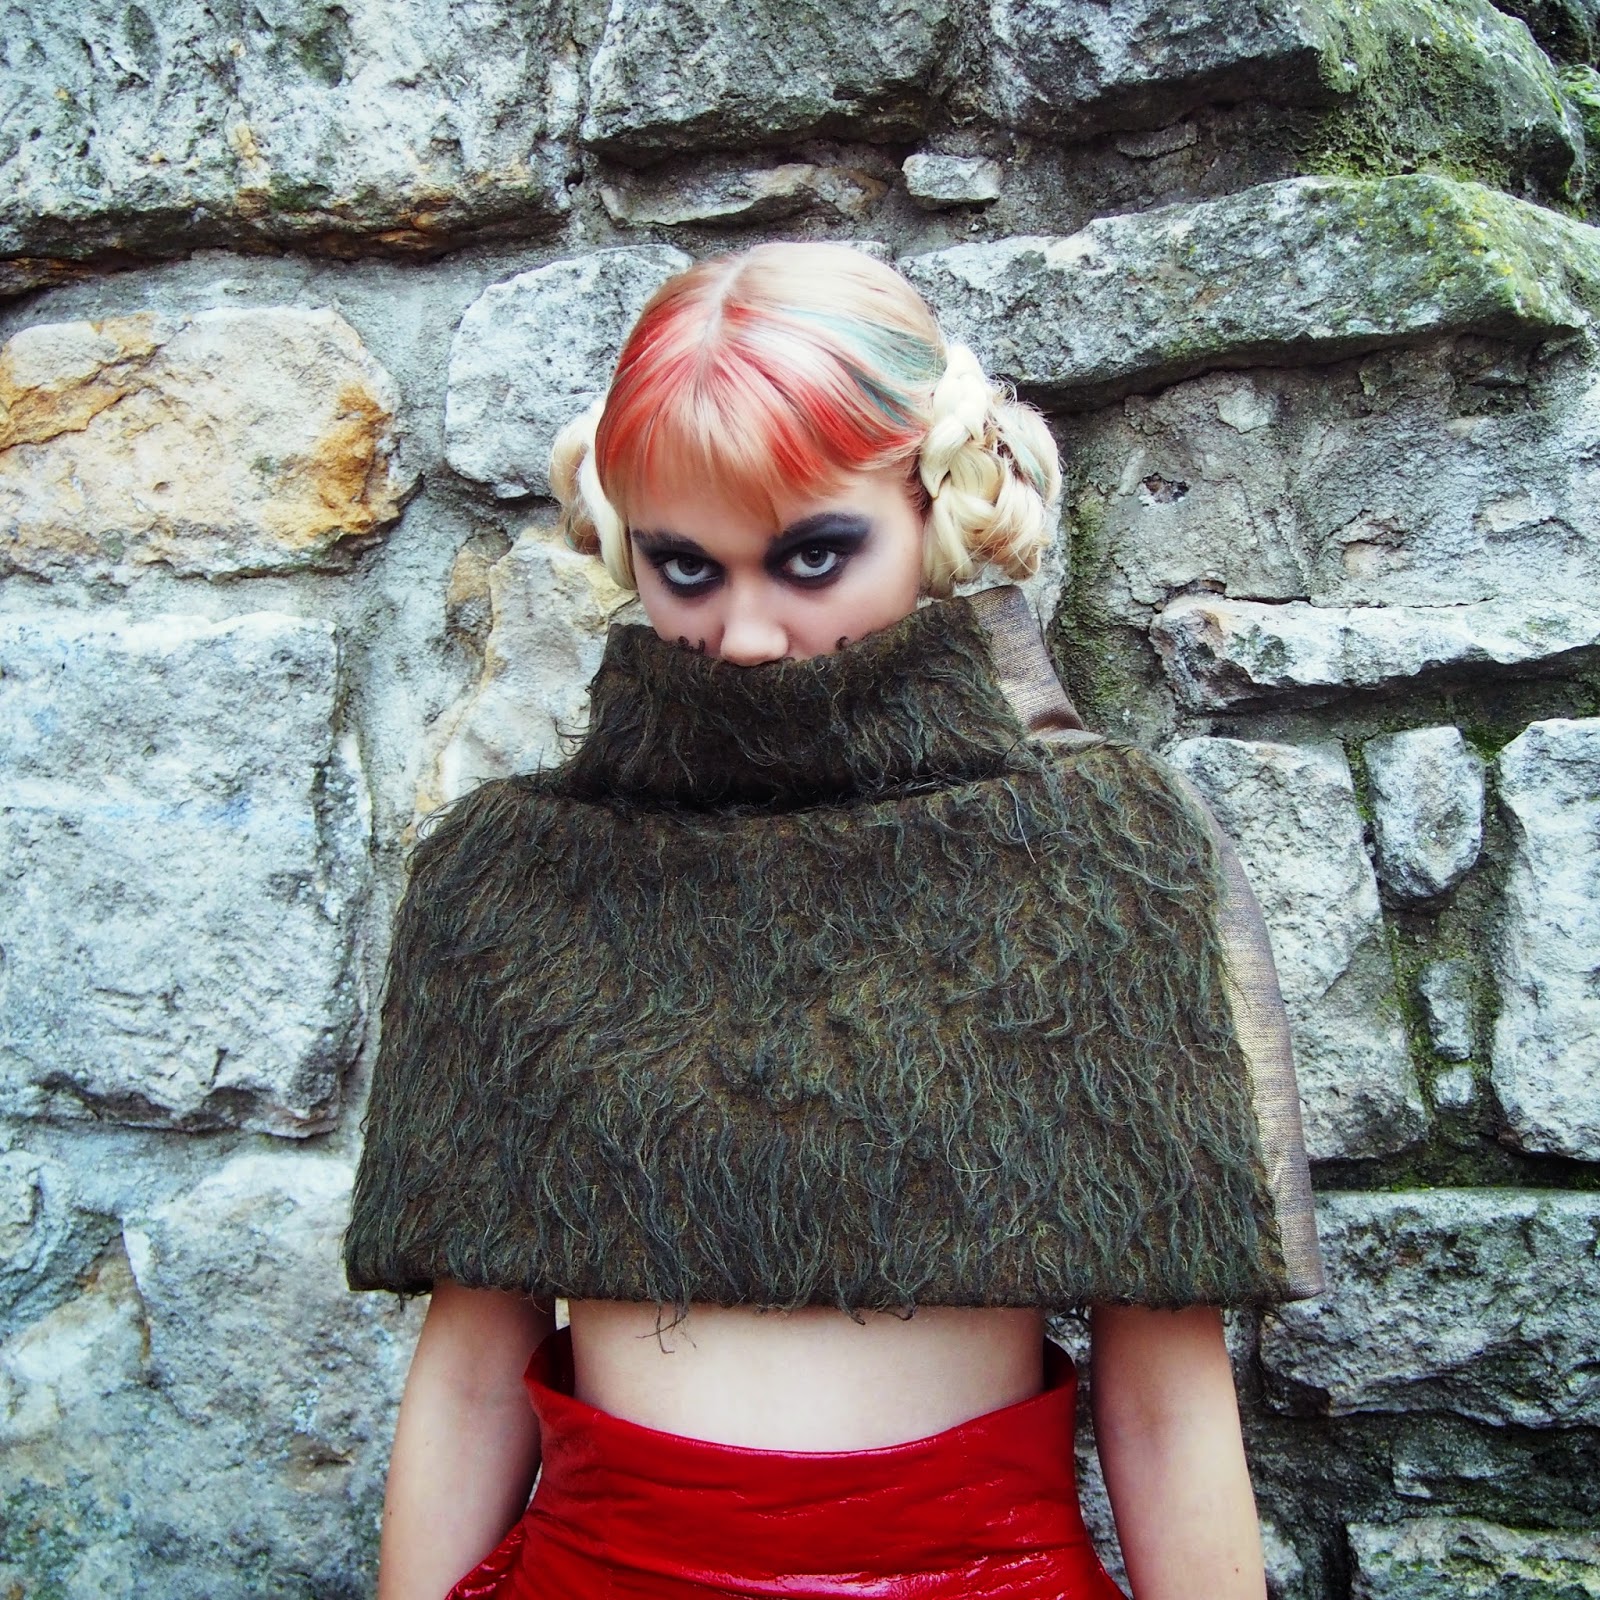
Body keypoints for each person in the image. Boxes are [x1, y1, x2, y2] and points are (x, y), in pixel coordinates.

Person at [345, 241, 1323, 1600]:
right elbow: (467, 1376)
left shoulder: (1108, 858)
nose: (746, 632)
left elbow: (1163, 1405)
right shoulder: (508, 882)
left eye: (813, 555)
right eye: (687, 568)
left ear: (939, 507)